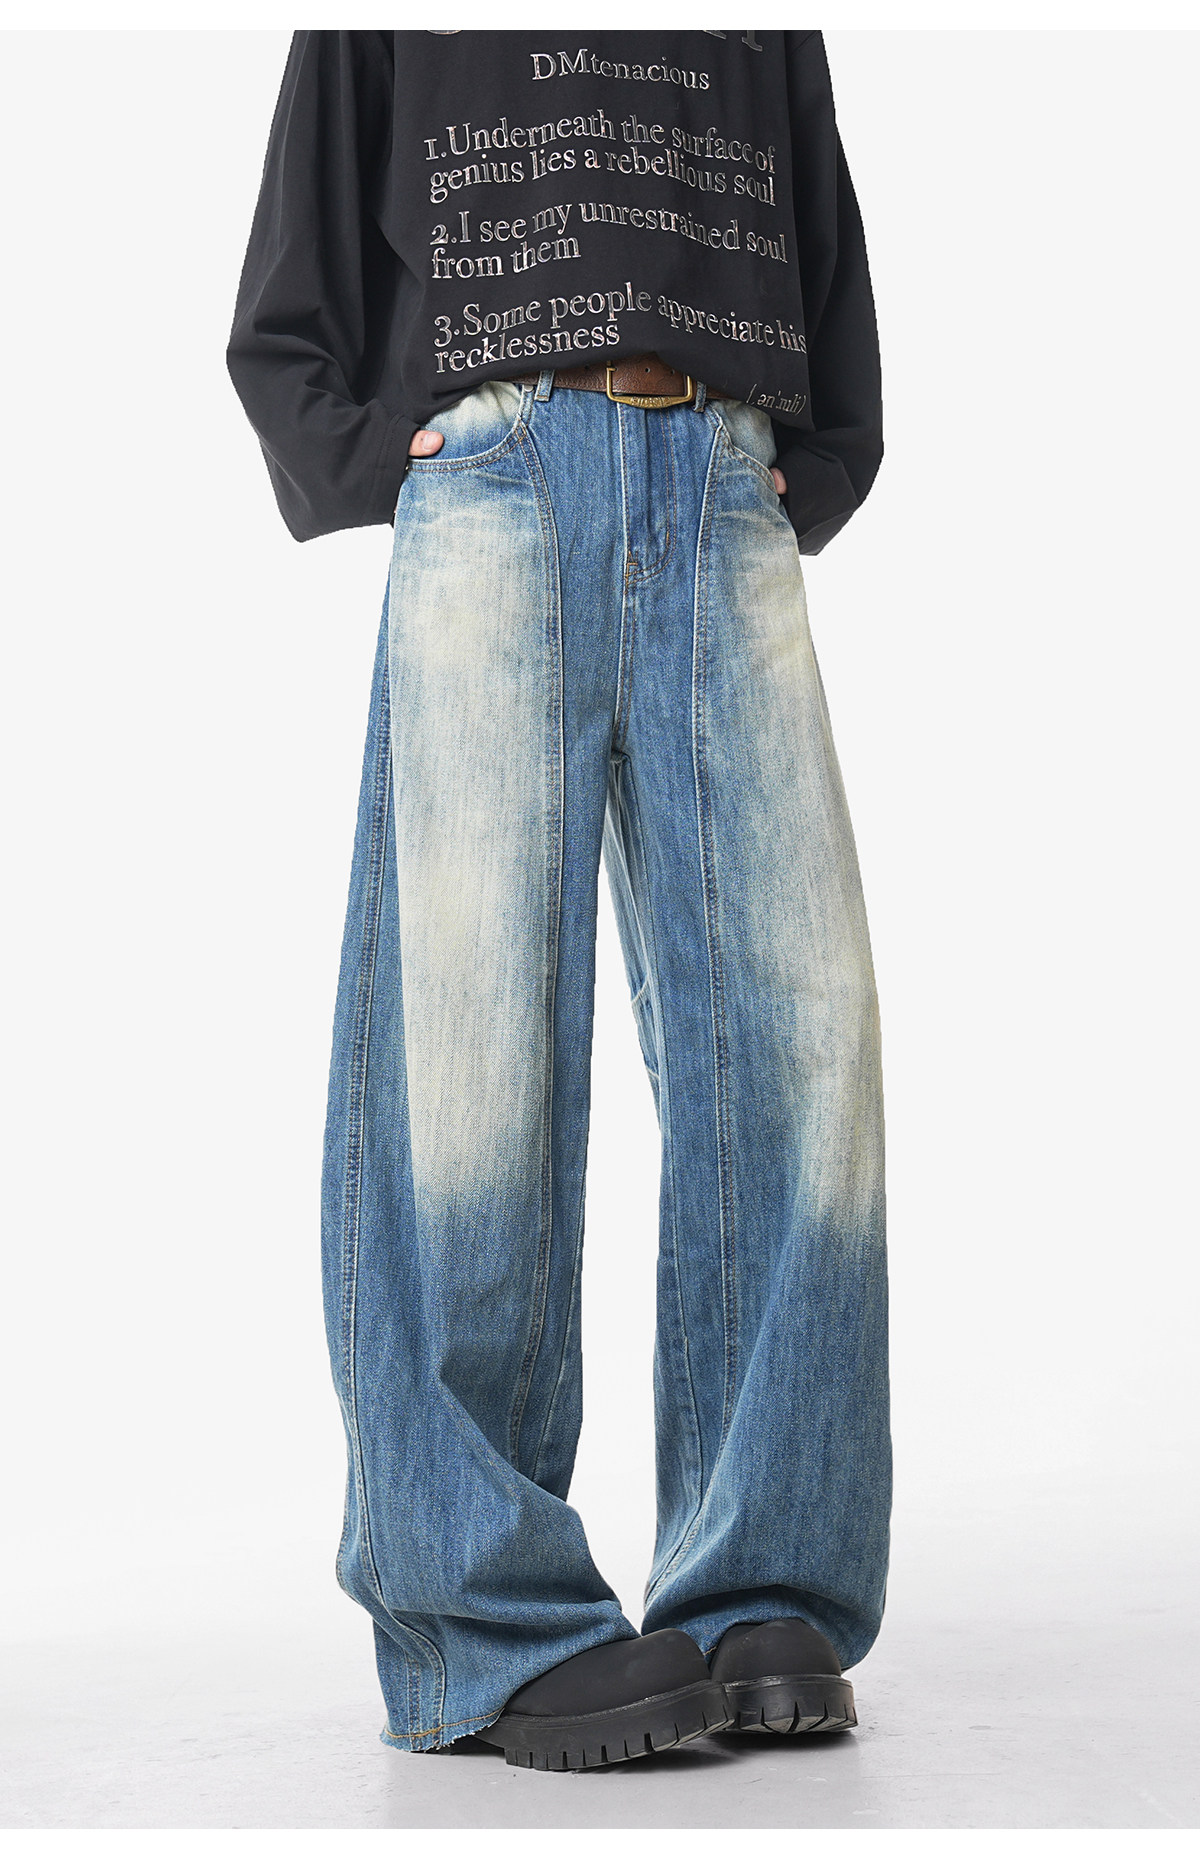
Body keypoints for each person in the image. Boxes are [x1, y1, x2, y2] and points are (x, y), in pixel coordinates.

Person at [228, 29, 890, 1774]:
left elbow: (818, 227)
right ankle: (483, 1616)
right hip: (494, 467)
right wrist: (378, 453)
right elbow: (292, 272)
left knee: (799, 1041)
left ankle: (764, 1582)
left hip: (723, 477)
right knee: (465, 1058)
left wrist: (807, 463)